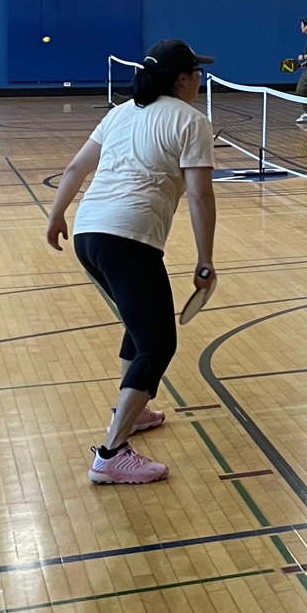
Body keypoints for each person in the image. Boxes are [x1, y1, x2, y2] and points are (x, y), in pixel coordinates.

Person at [45, 39, 219, 483]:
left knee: (139, 322)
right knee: (158, 344)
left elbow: (73, 170)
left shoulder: (120, 112)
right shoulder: (192, 121)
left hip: (89, 235)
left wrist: (56, 215)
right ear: (182, 79)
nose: (200, 79)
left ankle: (135, 414)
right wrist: (205, 257)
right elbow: (200, 195)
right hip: (128, 239)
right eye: (195, 72)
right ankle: (111, 452)